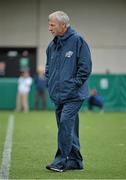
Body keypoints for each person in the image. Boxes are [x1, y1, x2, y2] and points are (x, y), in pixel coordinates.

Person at [45, 11, 92, 172]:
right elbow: (48, 68)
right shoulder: (52, 45)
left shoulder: (78, 40)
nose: (49, 28)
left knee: (65, 124)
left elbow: (85, 67)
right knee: (67, 128)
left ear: (63, 25)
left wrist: (74, 85)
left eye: (52, 24)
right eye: (49, 24)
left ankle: (59, 162)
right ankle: (76, 161)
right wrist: (49, 84)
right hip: (57, 95)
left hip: (74, 95)